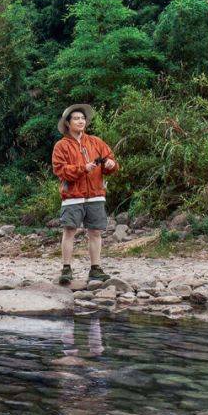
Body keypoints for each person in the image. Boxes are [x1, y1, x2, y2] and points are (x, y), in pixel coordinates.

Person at [51, 104, 118, 285]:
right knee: (69, 231)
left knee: (95, 232)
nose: (81, 121)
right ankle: (66, 269)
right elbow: (60, 170)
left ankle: (95, 269)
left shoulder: (96, 142)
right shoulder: (61, 146)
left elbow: (111, 162)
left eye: (82, 118)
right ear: (67, 123)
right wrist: (83, 168)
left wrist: (111, 165)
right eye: (76, 118)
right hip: (72, 196)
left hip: (96, 194)